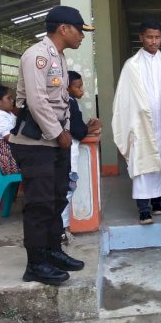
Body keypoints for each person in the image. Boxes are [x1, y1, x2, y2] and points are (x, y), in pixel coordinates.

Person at [9, 5, 92, 285]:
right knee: (40, 203)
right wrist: (59, 133)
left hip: (55, 142)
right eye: (80, 31)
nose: (82, 36)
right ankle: (35, 263)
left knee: (57, 199)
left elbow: (61, 104)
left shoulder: (58, 57)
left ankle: (53, 251)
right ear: (63, 29)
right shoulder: (37, 56)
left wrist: (62, 134)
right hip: (35, 143)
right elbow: (36, 101)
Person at [112, 19, 161, 225]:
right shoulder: (131, 66)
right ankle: (143, 209)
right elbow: (124, 98)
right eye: (149, 37)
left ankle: (157, 201)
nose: (153, 41)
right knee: (143, 163)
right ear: (141, 38)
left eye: (157, 37)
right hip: (141, 123)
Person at [61, 70, 102, 244]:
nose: (82, 90)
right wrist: (93, 128)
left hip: (69, 153)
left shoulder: (70, 102)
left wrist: (87, 127)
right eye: (77, 87)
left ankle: (64, 229)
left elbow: (75, 126)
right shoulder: (69, 103)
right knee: (67, 192)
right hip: (68, 154)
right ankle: (64, 230)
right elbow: (76, 131)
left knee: (67, 191)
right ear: (67, 88)